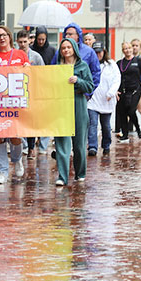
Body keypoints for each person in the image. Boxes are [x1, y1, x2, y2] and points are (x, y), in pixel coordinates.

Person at [0, 26, 30, 184]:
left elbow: (29, 76)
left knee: (15, 136)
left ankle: (17, 160)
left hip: (15, 102)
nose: (1, 38)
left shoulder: (21, 55)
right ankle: (2, 171)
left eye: (4, 35)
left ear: (10, 37)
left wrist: (28, 69)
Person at [54, 38, 94, 186]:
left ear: (74, 49)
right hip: (62, 105)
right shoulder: (57, 67)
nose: (66, 50)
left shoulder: (83, 66)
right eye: (63, 48)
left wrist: (79, 81)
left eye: (69, 47)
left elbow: (90, 86)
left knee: (79, 143)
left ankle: (80, 173)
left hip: (78, 103)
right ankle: (62, 176)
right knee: (62, 141)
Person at [87, 42, 121, 156]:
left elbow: (117, 79)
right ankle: (92, 147)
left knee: (106, 126)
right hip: (93, 100)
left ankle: (106, 145)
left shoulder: (111, 64)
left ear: (104, 52)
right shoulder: (89, 64)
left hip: (107, 100)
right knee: (93, 124)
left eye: (99, 52)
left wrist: (111, 93)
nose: (98, 55)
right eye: (95, 52)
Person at [16, 30, 43, 159]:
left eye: (25, 42)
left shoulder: (36, 57)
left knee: (31, 121)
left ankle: (31, 148)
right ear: (17, 42)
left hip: (31, 92)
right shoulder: (13, 56)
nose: (22, 44)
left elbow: (42, 73)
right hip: (17, 93)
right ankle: (21, 146)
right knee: (19, 120)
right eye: (20, 42)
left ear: (29, 41)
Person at [51, 23, 101, 90]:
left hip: (81, 94)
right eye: (66, 34)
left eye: (70, 34)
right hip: (63, 94)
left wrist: (87, 94)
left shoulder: (89, 52)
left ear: (78, 35)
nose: (67, 36)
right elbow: (52, 71)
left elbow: (95, 73)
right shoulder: (59, 52)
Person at [31, 25, 57, 154]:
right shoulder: (31, 51)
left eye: (43, 39)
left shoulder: (52, 51)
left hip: (47, 87)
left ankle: (43, 145)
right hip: (33, 88)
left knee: (46, 118)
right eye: (39, 39)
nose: (41, 42)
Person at [116, 42, 141, 141]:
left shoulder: (138, 61)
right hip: (123, 90)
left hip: (135, 90)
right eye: (125, 49)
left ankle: (138, 128)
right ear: (123, 51)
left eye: (129, 48)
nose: (128, 50)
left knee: (131, 110)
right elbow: (115, 78)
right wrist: (115, 90)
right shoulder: (119, 63)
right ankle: (125, 135)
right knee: (123, 112)